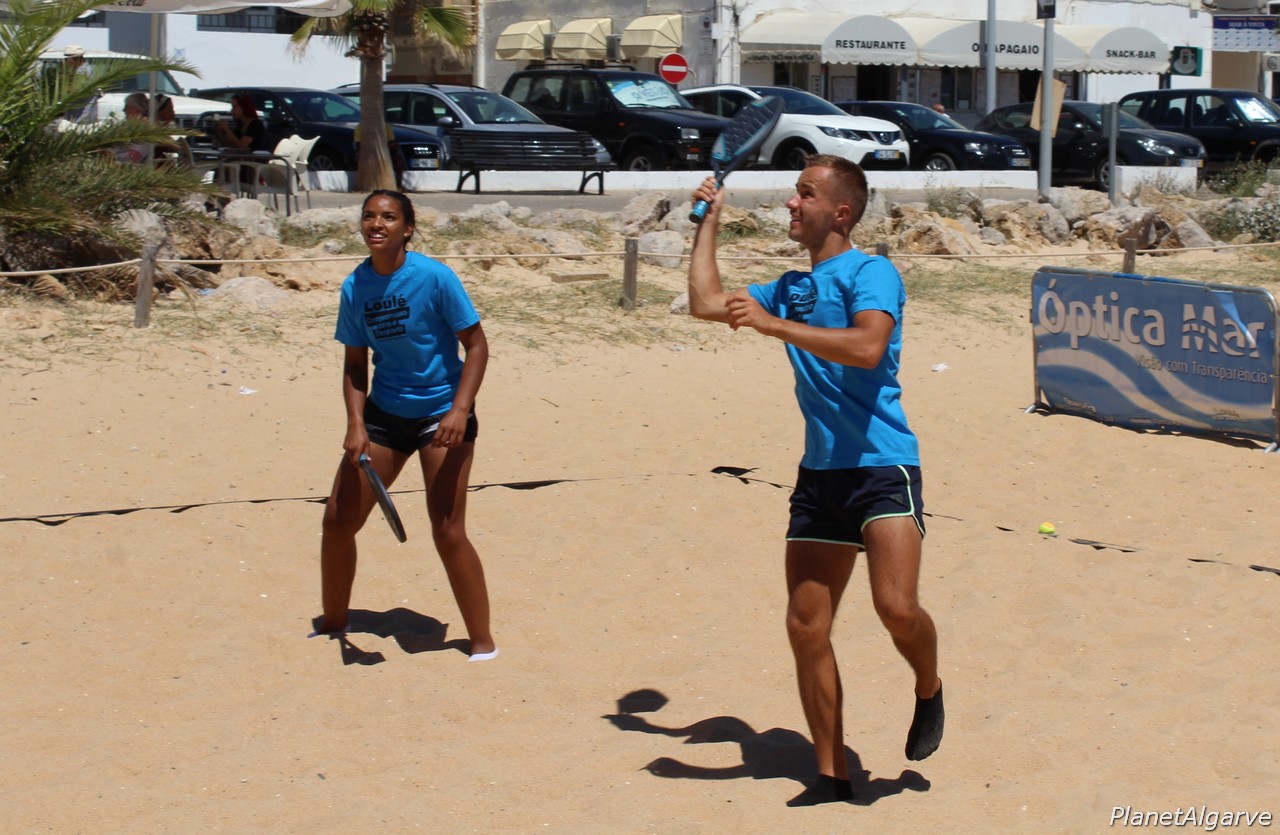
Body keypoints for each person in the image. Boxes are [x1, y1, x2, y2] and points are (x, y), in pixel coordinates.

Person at [685, 154, 943, 806]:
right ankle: (831, 775)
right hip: (820, 476)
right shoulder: (791, 286)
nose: (791, 203)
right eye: (794, 192)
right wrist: (709, 221)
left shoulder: (871, 272)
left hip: (882, 465)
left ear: (841, 212)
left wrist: (773, 325)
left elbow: (867, 347)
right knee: (806, 626)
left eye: (805, 193)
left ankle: (929, 685)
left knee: (896, 607)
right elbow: (705, 302)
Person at [314, 189, 497, 662]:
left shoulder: (434, 277)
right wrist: (355, 424)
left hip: (442, 413)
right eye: (369, 216)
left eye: (389, 217)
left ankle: (482, 642)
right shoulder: (355, 286)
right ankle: (334, 623)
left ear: (407, 228)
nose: (377, 224)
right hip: (385, 415)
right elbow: (356, 364)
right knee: (337, 520)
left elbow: (477, 346)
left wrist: (459, 410)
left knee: (447, 530)